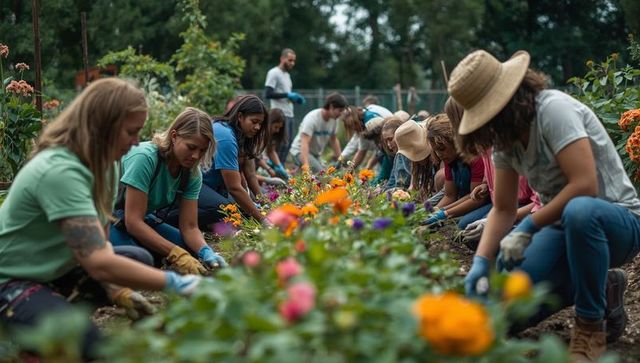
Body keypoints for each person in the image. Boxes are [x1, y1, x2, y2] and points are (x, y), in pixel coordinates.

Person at [450, 50, 640, 362]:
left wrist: (528, 226)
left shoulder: (553, 110)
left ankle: (590, 326)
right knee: (506, 314)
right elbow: (502, 209)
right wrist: (481, 263)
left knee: (580, 212)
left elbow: (584, 186)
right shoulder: (505, 138)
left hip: (616, 221)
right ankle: (600, 283)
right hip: (561, 227)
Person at [0, 78, 202, 361]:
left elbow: (102, 244)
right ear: (103, 126)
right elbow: (98, 262)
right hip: (10, 279)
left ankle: (47, 318)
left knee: (136, 258)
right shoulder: (60, 171)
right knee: (92, 345)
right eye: (131, 132)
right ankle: (30, 338)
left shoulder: (105, 165)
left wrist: (117, 290)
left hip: (53, 268)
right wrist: (178, 283)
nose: (135, 142)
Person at [110, 107, 226, 273]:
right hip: (109, 217)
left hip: (141, 219)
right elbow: (133, 222)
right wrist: (176, 255)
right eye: (191, 147)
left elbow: (190, 227)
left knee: (189, 247)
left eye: (202, 150)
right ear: (174, 136)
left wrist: (206, 251)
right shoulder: (145, 158)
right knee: (138, 260)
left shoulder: (191, 172)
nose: (195, 156)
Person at [201, 95, 269, 224]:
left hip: (213, 187)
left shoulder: (239, 135)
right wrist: (263, 220)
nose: (258, 127)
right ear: (240, 117)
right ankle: (169, 217)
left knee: (243, 209)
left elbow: (249, 175)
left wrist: (263, 204)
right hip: (196, 185)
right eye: (254, 122)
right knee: (229, 211)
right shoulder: (225, 136)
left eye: (260, 124)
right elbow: (234, 187)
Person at [422, 114, 487, 228]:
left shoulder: (475, 157)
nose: (439, 154)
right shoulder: (450, 160)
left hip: (479, 203)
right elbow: (450, 195)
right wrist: (435, 211)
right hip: (463, 200)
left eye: (442, 149)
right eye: (435, 150)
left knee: (463, 224)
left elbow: (476, 198)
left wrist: (443, 213)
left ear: (454, 142)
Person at [289, 93, 349, 172]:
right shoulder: (312, 118)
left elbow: (334, 140)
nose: (341, 114)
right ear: (331, 107)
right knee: (321, 174)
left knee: (327, 173)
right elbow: (305, 143)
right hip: (299, 151)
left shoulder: (334, 120)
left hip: (316, 155)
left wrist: (341, 162)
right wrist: (306, 167)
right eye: (340, 110)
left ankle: (296, 173)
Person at [265, 48, 305, 164]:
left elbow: (285, 96)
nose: (292, 63)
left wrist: (295, 100)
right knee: (280, 144)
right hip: (279, 114)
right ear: (282, 59)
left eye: (293, 61)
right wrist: (287, 95)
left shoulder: (287, 75)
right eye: (290, 60)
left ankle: (280, 169)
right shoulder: (274, 73)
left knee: (288, 144)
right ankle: (273, 170)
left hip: (289, 113)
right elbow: (268, 93)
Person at [340, 101, 393, 168]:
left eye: (353, 125)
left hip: (393, 141)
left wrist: (368, 167)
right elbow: (361, 150)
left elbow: (381, 148)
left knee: (382, 157)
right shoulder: (364, 120)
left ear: (356, 121)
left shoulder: (371, 121)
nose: (353, 129)